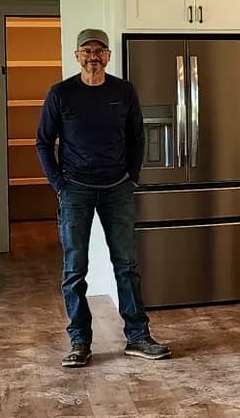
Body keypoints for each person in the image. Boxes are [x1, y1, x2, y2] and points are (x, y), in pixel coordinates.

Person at [36, 28, 171, 368]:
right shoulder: (61, 93)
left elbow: (137, 137)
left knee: (127, 267)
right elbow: (42, 142)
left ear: (108, 56)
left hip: (117, 188)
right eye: (86, 50)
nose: (93, 56)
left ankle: (138, 337)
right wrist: (59, 184)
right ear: (77, 55)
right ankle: (80, 341)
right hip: (75, 190)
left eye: (99, 50)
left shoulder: (123, 91)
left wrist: (132, 178)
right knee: (74, 270)